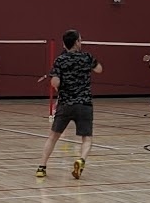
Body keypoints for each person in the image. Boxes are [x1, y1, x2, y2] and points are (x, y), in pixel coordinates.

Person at [36, 30, 102, 179]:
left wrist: (57, 84)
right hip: (84, 104)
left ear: (64, 44)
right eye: (80, 40)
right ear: (77, 42)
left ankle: (42, 167)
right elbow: (99, 69)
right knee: (87, 138)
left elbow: (55, 82)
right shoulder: (87, 57)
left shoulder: (60, 60)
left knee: (53, 137)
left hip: (65, 104)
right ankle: (81, 159)